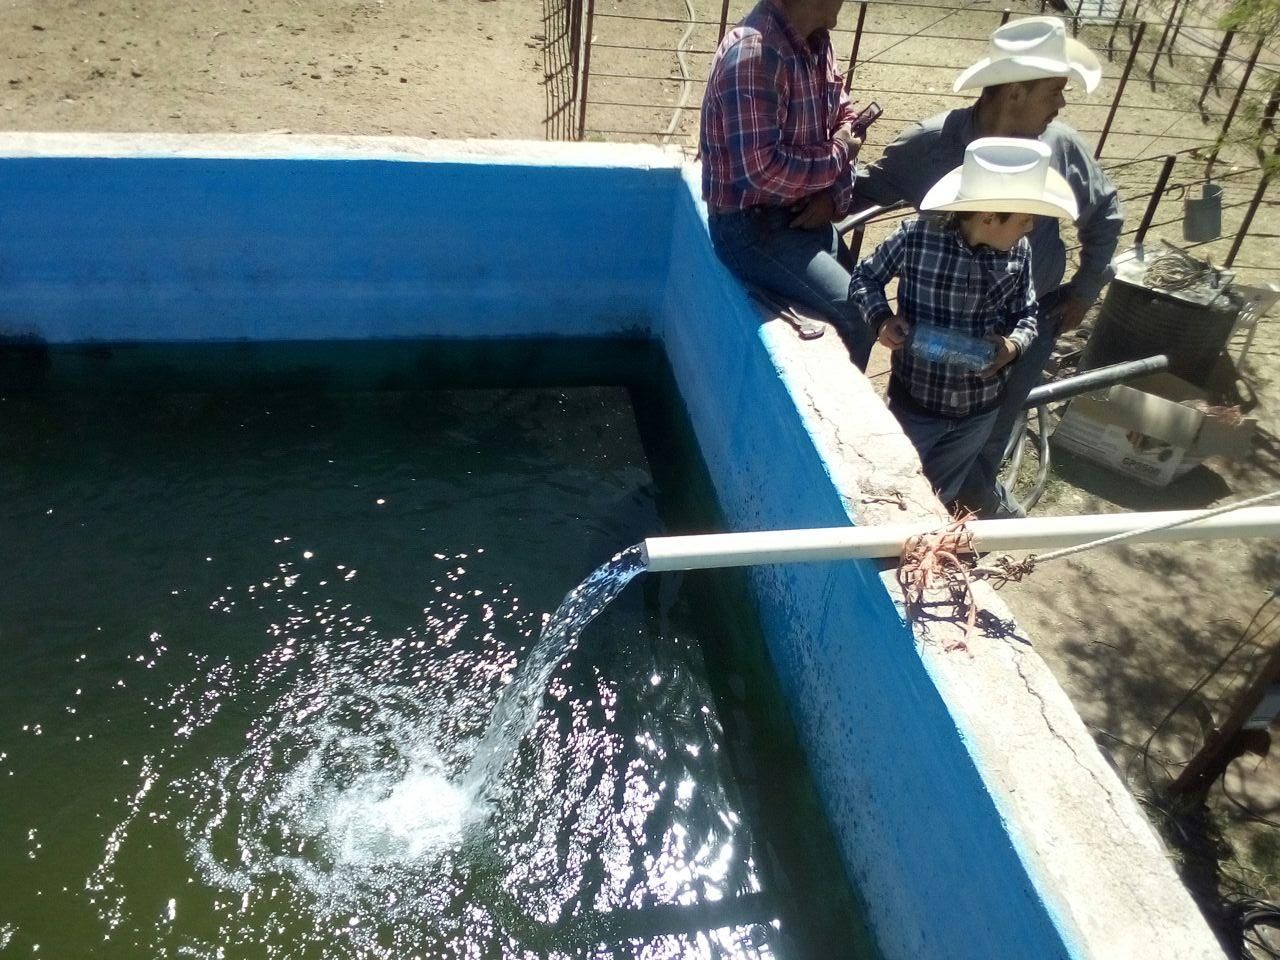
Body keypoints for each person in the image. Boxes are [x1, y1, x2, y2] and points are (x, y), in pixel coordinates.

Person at [854, 16, 1123, 515]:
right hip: (933, 346)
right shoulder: (931, 145)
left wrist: (1083, 290)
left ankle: (963, 504)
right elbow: (862, 192)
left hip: (1026, 323)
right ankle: (934, 509)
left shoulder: (1060, 147)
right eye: (1054, 91)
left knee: (992, 426)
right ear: (1016, 92)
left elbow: (1104, 214)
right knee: (920, 432)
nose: (1061, 104)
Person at [849, 138, 1078, 504]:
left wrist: (1012, 346)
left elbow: (1027, 313)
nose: (1031, 227)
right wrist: (881, 320)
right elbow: (865, 278)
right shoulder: (915, 237)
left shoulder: (1018, 253)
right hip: (916, 407)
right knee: (891, 489)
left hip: (978, 413)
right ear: (988, 218)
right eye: (1023, 218)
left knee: (940, 494)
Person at [699, 0, 875, 366]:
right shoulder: (755, 55)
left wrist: (833, 195)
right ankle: (835, 419)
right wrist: (839, 155)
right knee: (859, 316)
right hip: (752, 228)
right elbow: (760, 173)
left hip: (800, 213)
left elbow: (844, 118)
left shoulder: (816, 40)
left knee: (868, 298)